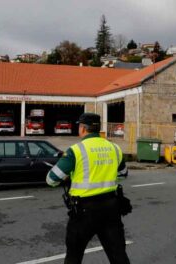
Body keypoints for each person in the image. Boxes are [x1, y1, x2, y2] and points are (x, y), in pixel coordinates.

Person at [46, 113, 130, 264]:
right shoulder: (114, 148)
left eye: (79, 126)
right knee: (118, 256)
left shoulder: (75, 150)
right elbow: (123, 175)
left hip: (83, 212)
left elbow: (51, 179)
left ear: (83, 129)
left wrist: (70, 174)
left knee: (74, 257)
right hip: (111, 209)